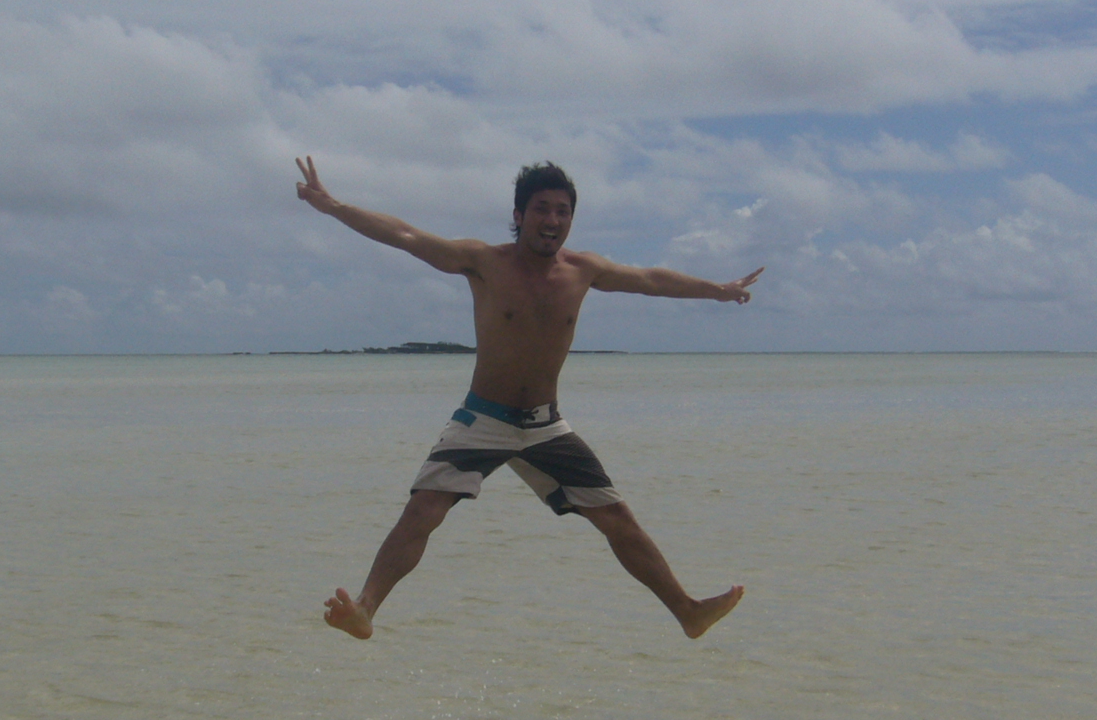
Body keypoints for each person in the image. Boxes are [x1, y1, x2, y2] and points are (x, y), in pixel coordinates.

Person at [294, 155, 763, 641]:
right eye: (542, 209)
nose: (552, 220)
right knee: (423, 509)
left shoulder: (583, 270)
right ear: (519, 215)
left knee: (617, 518)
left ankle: (688, 611)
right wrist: (333, 206)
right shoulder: (484, 262)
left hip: (544, 425)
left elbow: (651, 281)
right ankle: (366, 608)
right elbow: (405, 235)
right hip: (483, 418)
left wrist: (718, 290)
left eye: (563, 211)